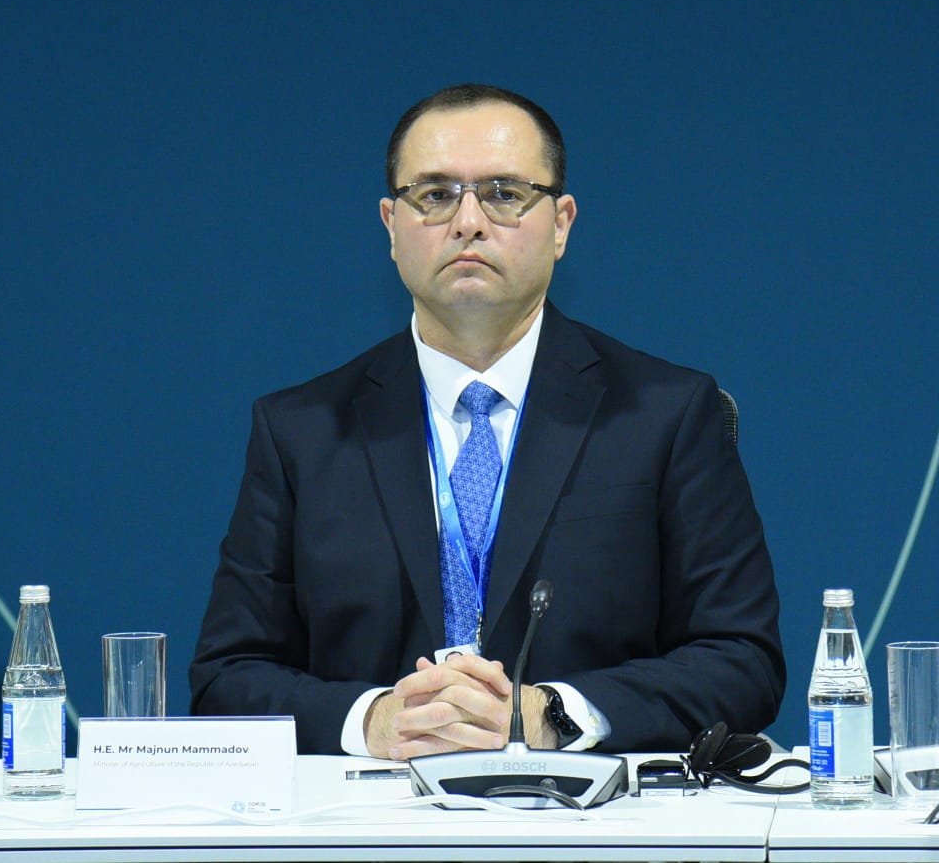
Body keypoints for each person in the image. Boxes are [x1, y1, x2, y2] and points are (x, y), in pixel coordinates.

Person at [190, 84, 785, 760]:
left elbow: (743, 661)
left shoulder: (664, 414)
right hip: (370, 812)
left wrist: (550, 714)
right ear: (390, 226)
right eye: (434, 195)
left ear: (561, 224)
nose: (468, 221)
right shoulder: (302, 430)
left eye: (504, 193)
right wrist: (374, 721)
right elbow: (226, 678)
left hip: (587, 813)